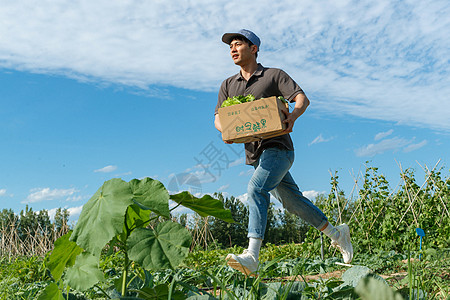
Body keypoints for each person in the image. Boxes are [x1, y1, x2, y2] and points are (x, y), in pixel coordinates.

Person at [214, 29, 353, 276]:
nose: (233, 49)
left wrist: (294, 115)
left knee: (256, 189)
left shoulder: (273, 75)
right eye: (230, 47)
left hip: (278, 148)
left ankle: (252, 256)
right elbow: (219, 117)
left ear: (253, 48)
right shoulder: (228, 85)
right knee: (293, 202)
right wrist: (227, 130)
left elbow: (301, 99)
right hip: (256, 156)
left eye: (237, 44)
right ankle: (337, 234)